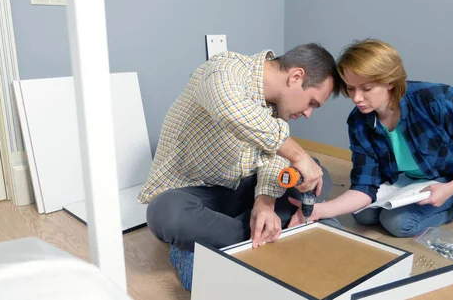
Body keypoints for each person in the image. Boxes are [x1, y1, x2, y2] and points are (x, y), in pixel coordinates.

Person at [138, 43, 344, 290]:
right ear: (296, 76)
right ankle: (275, 236)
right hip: (196, 194)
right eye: (312, 102)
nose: (308, 113)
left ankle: (230, 239)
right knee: (166, 212)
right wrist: (298, 154)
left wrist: (265, 202)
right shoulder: (224, 69)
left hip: (243, 189)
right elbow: (231, 110)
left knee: (317, 178)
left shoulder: (275, 109)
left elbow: (273, 159)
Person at [287, 39, 453, 238]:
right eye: (351, 88)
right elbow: (364, 184)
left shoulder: (439, 99)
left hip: (450, 180)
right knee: (363, 214)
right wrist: (319, 210)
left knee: (398, 223)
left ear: (389, 82)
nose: (357, 98)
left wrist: (451, 188)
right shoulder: (359, 121)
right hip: (406, 182)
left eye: (366, 88)